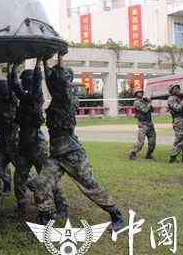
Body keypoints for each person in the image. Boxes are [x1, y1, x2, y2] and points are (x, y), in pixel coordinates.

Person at [34, 58, 123, 230]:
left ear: (66, 81)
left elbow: (56, 83)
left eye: (60, 78)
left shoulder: (68, 97)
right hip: (57, 155)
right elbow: (52, 81)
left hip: (73, 154)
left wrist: (57, 60)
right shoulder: (57, 97)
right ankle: (45, 216)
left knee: (90, 186)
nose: (54, 80)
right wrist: (44, 62)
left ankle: (115, 214)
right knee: (41, 184)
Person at [9, 59, 63, 216]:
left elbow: (38, 82)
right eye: (24, 80)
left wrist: (39, 62)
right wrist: (12, 68)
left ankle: (60, 206)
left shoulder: (36, 97)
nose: (24, 83)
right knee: (19, 178)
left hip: (37, 145)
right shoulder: (23, 98)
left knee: (47, 179)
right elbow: (14, 86)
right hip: (24, 144)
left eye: (27, 81)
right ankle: (21, 206)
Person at [0, 65, 19, 205]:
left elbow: (13, 83)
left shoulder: (12, 100)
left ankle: (43, 194)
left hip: (15, 144)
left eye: (1, 90)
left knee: (26, 177)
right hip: (2, 144)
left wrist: (11, 66)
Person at [129, 90, 156, 160]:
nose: (141, 93)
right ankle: (133, 153)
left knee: (152, 142)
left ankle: (149, 154)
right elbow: (145, 110)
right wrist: (149, 103)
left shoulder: (144, 101)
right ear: (136, 94)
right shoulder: (137, 102)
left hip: (150, 123)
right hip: (143, 124)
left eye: (141, 92)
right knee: (140, 142)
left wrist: (148, 102)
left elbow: (152, 110)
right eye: (139, 92)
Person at [167, 84, 183, 163]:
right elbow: (177, 108)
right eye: (175, 88)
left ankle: (174, 155)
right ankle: (173, 155)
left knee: (182, 138)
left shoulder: (177, 98)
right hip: (178, 120)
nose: (178, 89)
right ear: (171, 90)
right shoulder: (171, 99)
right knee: (179, 139)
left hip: (181, 119)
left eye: (178, 88)